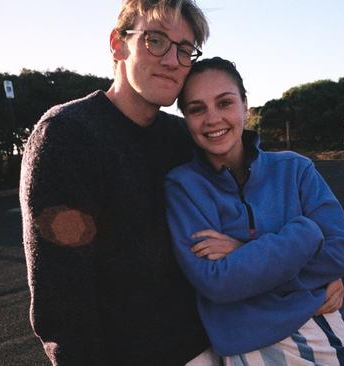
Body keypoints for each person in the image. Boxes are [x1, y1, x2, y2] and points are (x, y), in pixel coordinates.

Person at [19, 1, 212, 364]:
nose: (173, 60)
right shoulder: (68, 135)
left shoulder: (181, 138)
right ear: (118, 44)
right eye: (155, 40)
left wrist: (315, 272)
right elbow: (61, 296)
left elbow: (244, 202)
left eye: (185, 50)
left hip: (209, 345)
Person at [165, 57, 344, 365]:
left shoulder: (295, 169)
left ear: (245, 105)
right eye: (197, 109)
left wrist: (245, 250)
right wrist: (304, 235)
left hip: (315, 327)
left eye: (224, 103)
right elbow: (216, 282)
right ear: (186, 118)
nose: (212, 119)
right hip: (244, 344)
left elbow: (337, 253)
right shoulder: (183, 186)